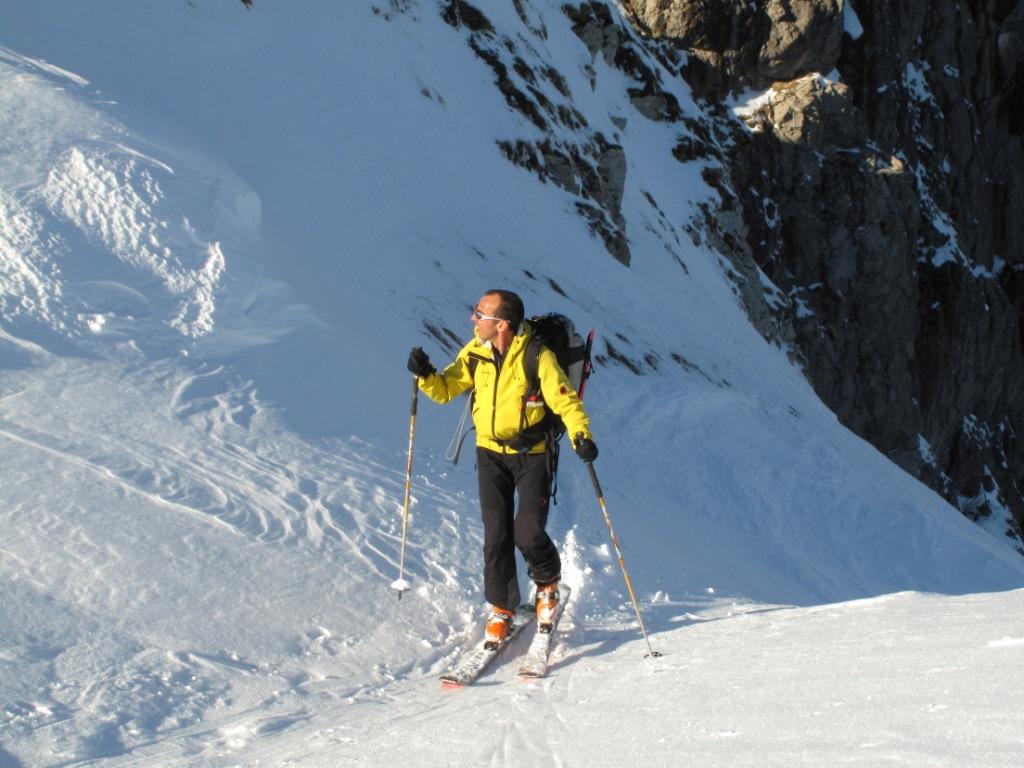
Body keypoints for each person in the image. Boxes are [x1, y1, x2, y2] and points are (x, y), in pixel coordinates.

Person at [407, 289, 598, 649]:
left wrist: (581, 436)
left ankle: (547, 584)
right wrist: (426, 374)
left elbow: (565, 400)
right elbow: (447, 389)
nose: (473, 319)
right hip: (489, 454)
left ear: (503, 324)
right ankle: (502, 608)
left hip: (533, 455)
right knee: (495, 536)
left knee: (526, 532)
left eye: (480, 314)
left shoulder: (537, 356)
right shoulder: (475, 353)